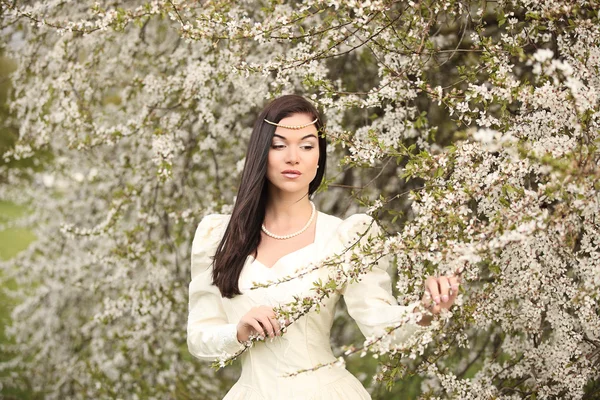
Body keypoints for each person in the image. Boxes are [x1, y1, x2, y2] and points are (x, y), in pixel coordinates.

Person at [187, 95, 460, 399]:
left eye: (307, 146)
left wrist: (424, 311)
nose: (294, 157)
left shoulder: (346, 236)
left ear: (319, 157)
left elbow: (379, 325)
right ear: (260, 153)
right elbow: (199, 338)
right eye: (279, 145)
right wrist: (238, 330)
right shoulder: (219, 236)